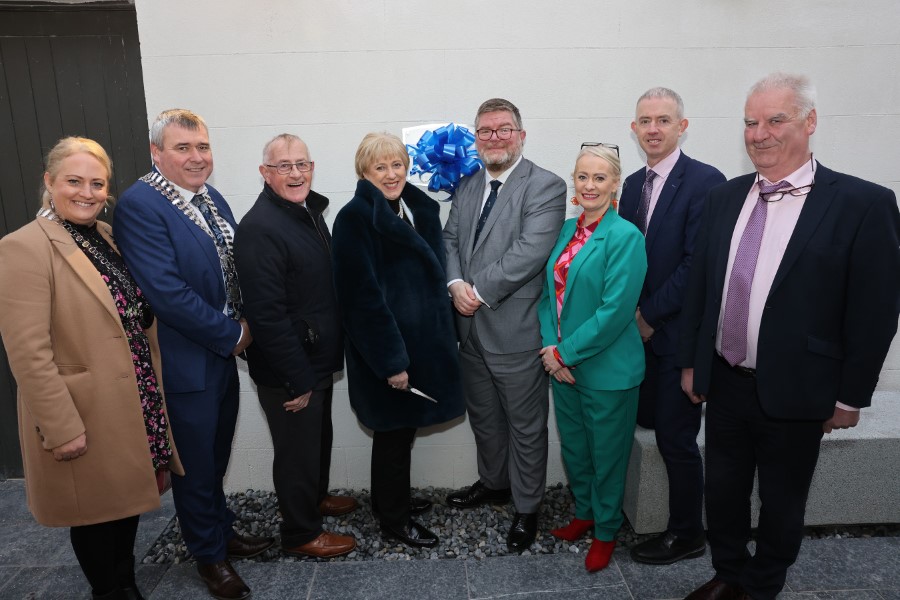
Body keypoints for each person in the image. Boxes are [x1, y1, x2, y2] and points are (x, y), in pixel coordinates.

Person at [679, 73, 900, 600]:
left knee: (782, 500)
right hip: (727, 381)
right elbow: (703, 292)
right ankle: (728, 572)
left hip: (801, 388)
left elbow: (875, 311)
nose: (760, 134)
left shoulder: (863, 203)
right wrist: (693, 363)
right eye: (751, 122)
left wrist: (850, 396)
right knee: (724, 491)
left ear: (810, 122)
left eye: (776, 120)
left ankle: (762, 584)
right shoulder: (723, 198)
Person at [0, 137, 183, 600]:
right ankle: (112, 591)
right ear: (49, 182)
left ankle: (126, 586)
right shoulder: (22, 248)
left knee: (121, 511)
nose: (87, 192)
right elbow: (28, 352)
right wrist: (61, 428)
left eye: (97, 183)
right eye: (74, 181)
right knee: (96, 516)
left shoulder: (102, 236)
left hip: (128, 402)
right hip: (83, 412)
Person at [113, 109, 273, 600]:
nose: (197, 157)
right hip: (187, 361)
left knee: (216, 453)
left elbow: (230, 264)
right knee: (196, 465)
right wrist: (232, 334)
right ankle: (209, 558)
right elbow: (165, 292)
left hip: (220, 354)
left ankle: (220, 531)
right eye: (183, 148)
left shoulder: (208, 196)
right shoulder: (140, 205)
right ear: (156, 153)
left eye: (202, 147)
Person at [443, 98, 567, 553]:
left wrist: (474, 291)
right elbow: (451, 237)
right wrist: (454, 282)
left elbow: (530, 252)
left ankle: (527, 506)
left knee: (525, 425)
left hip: (514, 331)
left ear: (521, 134)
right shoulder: (470, 184)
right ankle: (494, 484)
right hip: (470, 331)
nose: (494, 138)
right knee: (486, 420)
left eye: (504, 129)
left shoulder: (546, 186)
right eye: (485, 131)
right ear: (476, 137)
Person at [332, 132, 465, 549]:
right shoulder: (355, 218)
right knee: (391, 436)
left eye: (398, 165)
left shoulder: (413, 207)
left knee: (402, 432)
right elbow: (361, 300)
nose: (392, 175)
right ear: (364, 172)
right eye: (380, 167)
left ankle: (394, 500)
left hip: (419, 346)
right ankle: (394, 520)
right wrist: (391, 362)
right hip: (386, 352)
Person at [233, 133, 357, 559]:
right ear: (265, 174)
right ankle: (301, 533)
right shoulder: (260, 228)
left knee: (317, 439)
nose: (295, 172)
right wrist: (297, 378)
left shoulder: (307, 211)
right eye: (283, 166)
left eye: (302, 163)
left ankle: (314, 500)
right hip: (290, 366)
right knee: (297, 452)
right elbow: (266, 315)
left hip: (313, 355)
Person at [617, 88, 726, 565]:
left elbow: (694, 266)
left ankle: (687, 535)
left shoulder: (705, 181)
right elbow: (625, 258)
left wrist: (646, 316)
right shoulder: (632, 183)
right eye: (645, 120)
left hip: (677, 337)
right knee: (646, 425)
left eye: (664, 119)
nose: (654, 128)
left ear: (682, 126)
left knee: (677, 441)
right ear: (635, 129)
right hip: (637, 339)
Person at [537, 145, 647, 572]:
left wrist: (565, 351)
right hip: (562, 368)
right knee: (578, 450)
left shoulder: (625, 237)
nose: (589, 186)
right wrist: (551, 351)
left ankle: (605, 530)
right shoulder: (567, 230)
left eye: (599, 178)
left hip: (606, 370)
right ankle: (584, 512)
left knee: (607, 456)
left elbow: (616, 310)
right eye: (582, 177)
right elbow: (550, 296)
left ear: (615, 184)